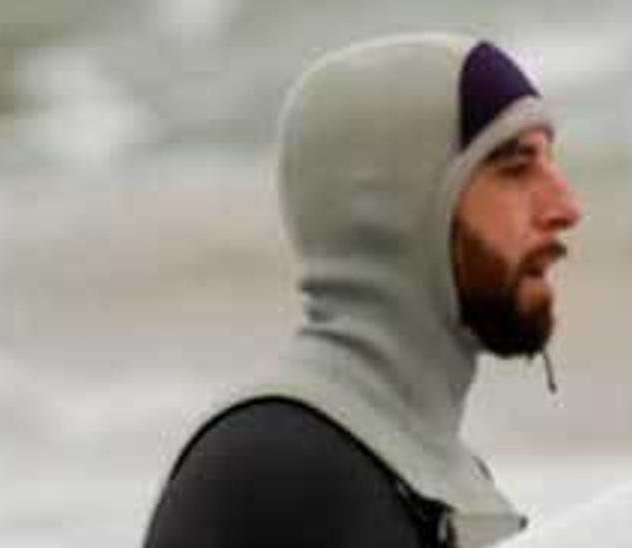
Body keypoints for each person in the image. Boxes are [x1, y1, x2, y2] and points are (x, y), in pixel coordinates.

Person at [143, 33, 581, 548]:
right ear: (395, 205)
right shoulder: (272, 474)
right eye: (515, 168)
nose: (566, 206)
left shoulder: (424, 476)